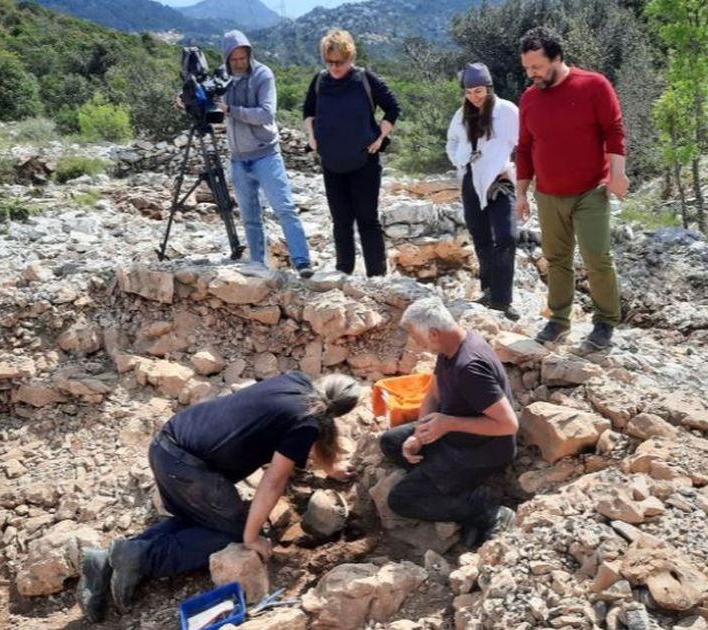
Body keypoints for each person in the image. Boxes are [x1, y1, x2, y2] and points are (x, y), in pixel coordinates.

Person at [76, 372, 362, 622]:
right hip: (188, 469)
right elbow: (273, 481)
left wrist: (332, 467)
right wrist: (250, 537)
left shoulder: (296, 381)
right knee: (234, 534)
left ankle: (105, 561)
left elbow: (304, 431)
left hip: (168, 446)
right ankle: (143, 557)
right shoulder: (307, 422)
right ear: (338, 414)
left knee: (200, 518)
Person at [515, 26, 629, 352]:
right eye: (527, 68)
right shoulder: (530, 98)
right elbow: (524, 148)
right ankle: (559, 319)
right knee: (556, 259)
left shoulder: (593, 85)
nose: (531, 74)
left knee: (596, 256)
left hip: (590, 190)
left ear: (557, 58)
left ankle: (605, 322)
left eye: (536, 67)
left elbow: (614, 130)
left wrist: (617, 174)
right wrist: (522, 193)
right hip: (548, 194)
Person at [378, 297, 517, 548]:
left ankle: (485, 511)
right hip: (454, 435)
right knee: (391, 442)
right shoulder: (449, 347)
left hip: (482, 450)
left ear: (433, 333)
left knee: (401, 500)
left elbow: (508, 424)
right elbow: (433, 394)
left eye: (417, 338)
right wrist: (419, 436)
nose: (417, 344)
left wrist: (449, 423)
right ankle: (444, 480)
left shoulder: (470, 368)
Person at [302, 29, 401, 277]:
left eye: (340, 62)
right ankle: (343, 273)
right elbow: (308, 111)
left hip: (364, 162)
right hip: (332, 163)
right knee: (341, 222)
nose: (334, 67)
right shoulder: (320, 81)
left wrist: (381, 136)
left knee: (367, 220)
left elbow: (392, 107)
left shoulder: (365, 79)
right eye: (330, 61)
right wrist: (312, 137)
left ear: (350, 57)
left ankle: (376, 277)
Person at [219, 30, 315, 278]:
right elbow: (214, 110)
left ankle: (302, 262)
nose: (239, 63)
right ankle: (258, 265)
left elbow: (266, 113)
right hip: (238, 158)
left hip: (265, 155)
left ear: (250, 54)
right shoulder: (222, 78)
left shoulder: (263, 74)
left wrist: (231, 109)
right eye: (234, 59)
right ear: (227, 58)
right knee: (250, 217)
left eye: (243, 58)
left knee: (284, 208)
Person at [445, 62, 521, 321]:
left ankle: (502, 300)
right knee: (480, 237)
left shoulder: (508, 111)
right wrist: (459, 160)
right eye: (468, 92)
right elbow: (452, 141)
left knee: (507, 236)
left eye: (478, 91)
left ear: (489, 88)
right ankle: (488, 292)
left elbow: (525, 144)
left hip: (500, 181)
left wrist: (518, 175)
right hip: (470, 180)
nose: (474, 97)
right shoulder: (461, 115)